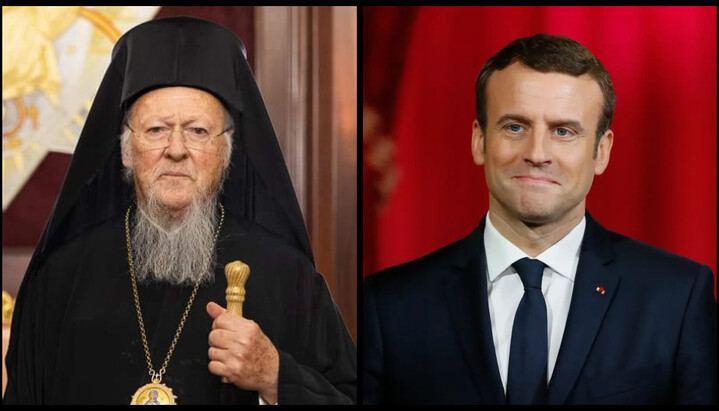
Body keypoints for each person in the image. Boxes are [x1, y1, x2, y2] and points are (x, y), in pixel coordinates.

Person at [3, 17, 356, 405]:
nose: (175, 149)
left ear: (226, 152)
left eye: (197, 131)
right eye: (156, 129)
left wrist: (275, 377)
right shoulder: (61, 279)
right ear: (125, 149)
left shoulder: (286, 276)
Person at [363, 33, 716, 405]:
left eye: (563, 131)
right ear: (479, 141)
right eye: (515, 127)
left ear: (601, 151)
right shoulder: (390, 305)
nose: (537, 153)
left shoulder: (677, 298)